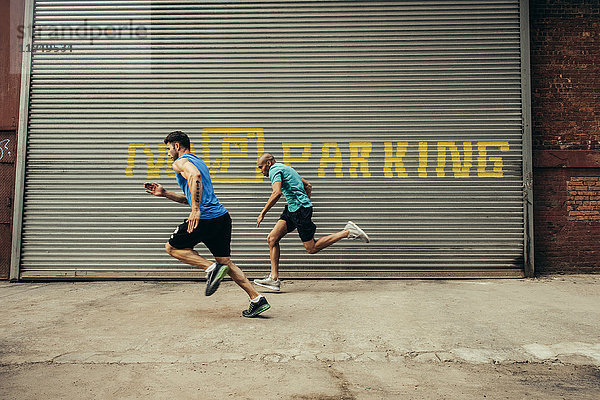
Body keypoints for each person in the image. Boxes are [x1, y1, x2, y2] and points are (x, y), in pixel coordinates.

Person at [144, 131, 270, 318]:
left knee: (172, 248)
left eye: (168, 148)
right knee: (225, 262)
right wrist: (165, 193)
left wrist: (195, 210)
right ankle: (256, 299)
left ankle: (211, 269)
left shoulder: (180, 162)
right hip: (221, 218)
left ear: (177, 146)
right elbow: (192, 193)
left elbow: (194, 178)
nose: (168, 153)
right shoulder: (199, 161)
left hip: (204, 219)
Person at [254, 152, 369, 291]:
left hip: (299, 211)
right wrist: (305, 200)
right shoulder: (285, 168)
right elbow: (308, 185)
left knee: (311, 248)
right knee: (272, 239)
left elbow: (276, 192)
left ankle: (348, 232)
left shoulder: (274, 170)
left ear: (268, 163)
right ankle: (274, 279)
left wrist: (262, 213)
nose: (261, 171)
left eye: (261, 167)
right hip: (293, 209)